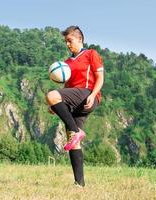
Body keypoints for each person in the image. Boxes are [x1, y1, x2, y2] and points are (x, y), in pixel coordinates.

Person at [46, 25, 104, 187]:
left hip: (87, 95)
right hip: (74, 100)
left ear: (80, 39)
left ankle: (77, 132)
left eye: (69, 40)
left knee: (51, 94)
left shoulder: (91, 54)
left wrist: (93, 95)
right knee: (73, 141)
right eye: (65, 41)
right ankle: (80, 184)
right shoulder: (66, 63)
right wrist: (56, 104)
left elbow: (100, 78)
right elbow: (67, 88)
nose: (67, 44)